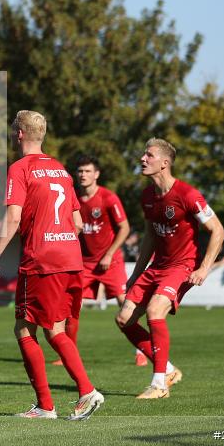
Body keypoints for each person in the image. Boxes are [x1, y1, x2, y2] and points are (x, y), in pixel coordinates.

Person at [0, 110, 104, 420]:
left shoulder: (20, 168)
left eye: (14, 132)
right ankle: (83, 393)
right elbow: (77, 222)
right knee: (55, 330)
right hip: (71, 257)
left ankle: (49, 404)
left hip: (42, 259)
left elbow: (13, 216)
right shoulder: (62, 171)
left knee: (24, 327)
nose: (13, 136)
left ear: (20, 134)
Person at [115, 138, 224, 399]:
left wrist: (204, 269)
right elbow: (150, 237)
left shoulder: (188, 195)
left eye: (149, 155)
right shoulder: (147, 197)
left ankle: (159, 385)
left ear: (164, 163)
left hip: (182, 266)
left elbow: (217, 230)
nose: (143, 159)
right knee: (124, 319)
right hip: (157, 266)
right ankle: (168, 369)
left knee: (155, 311)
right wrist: (136, 273)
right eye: (143, 154)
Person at [53, 155, 141, 366]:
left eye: (87, 171)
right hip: (85, 263)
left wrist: (109, 254)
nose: (83, 175)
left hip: (111, 261)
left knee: (124, 304)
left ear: (97, 174)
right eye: (80, 171)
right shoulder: (72, 198)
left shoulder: (108, 198)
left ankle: (140, 351)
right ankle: (68, 354)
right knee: (71, 304)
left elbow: (125, 228)